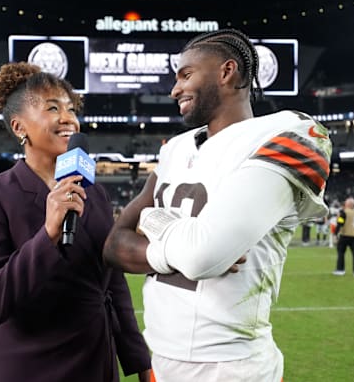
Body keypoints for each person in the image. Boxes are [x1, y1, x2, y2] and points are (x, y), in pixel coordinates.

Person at [103, 28, 332, 382]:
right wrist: (185, 242)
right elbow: (114, 245)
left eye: (186, 75)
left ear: (227, 72)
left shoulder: (286, 133)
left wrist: (154, 222)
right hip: (162, 357)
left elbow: (202, 256)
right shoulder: (174, 150)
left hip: (231, 366)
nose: (174, 89)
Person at [0, 61, 151, 382]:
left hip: (94, 361)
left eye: (70, 108)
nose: (68, 118)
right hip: (27, 365)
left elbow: (113, 285)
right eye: (52, 108)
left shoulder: (96, 193)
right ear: (20, 127)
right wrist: (47, 234)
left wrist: (141, 363)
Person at [332, 197, 354, 277]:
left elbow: (340, 223)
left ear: (348, 204)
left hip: (345, 235)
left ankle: (340, 270)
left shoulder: (344, 212)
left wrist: (335, 234)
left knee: (341, 252)